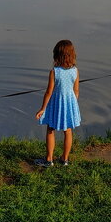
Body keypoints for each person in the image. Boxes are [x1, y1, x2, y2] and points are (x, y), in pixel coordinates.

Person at [34, 39, 81, 167]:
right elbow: (76, 91)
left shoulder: (55, 72)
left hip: (56, 103)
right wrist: (72, 105)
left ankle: (49, 160)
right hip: (69, 102)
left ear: (57, 55)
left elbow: (49, 92)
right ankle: (65, 159)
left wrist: (42, 109)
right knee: (68, 131)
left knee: (50, 129)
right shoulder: (75, 71)